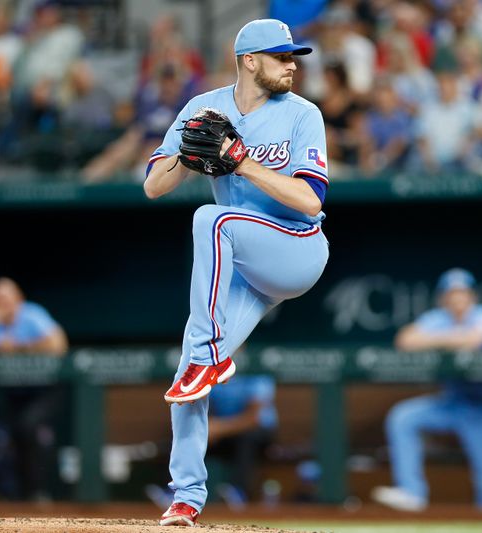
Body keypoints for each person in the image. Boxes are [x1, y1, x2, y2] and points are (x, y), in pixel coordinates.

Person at [144, 19, 329, 526]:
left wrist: (242, 163)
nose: (292, 64)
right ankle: (186, 497)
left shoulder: (302, 114)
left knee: (211, 218)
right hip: (241, 263)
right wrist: (187, 153)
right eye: (281, 56)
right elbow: (154, 187)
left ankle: (209, 356)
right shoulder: (204, 109)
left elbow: (311, 199)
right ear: (250, 60)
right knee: (188, 373)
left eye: (294, 56)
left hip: (296, 249)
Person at [371, 269, 482, 512]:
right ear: (443, 299)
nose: (457, 300)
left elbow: (476, 340)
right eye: (452, 294)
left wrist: (439, 339)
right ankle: (412, 492)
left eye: (462, 294)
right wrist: (453, 337)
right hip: (453, 402)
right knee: (403, 418)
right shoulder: (438, 318)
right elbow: (405, 340)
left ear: (472, 296)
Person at [0, 278, 67, 501]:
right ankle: (25, 498)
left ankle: (41, 493)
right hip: (15, 394)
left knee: (30, 428)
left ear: (18, 299)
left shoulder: (31, 314)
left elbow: (59, 345)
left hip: (44, 390)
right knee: (12, 438)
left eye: (6, 298)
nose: (2, 304)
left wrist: (19, 347)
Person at [206, 373, 277, 505]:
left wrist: (218, 428)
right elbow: (206, 407)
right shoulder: (213, 368)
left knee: (246, 438)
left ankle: (238, 493)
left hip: (258, 433)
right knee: (189, 434)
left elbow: (252, 419)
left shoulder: (257, 372)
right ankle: (180, 490)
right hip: (224, 433)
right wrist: (206, 427)